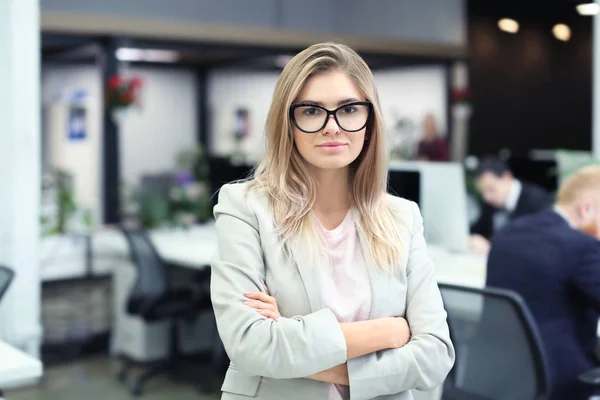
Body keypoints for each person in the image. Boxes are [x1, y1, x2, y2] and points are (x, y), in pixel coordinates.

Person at [210, 43, 455, 400]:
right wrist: (389, 332)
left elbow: (434, 355)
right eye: (311, 111)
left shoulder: (402, 219)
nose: (332, 127)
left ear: (370, 121)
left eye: (349, 109)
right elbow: (250, 345)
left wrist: (290, 338)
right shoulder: (246, 208)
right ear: (287, 122)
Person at [487, 165, 600, 399]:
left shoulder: (506, 233)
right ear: (586, 208)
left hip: (500, 375)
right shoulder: (582, 246)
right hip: (560, 378)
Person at [469, 156, 551, 253]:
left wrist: (492, 249)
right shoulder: (490, 203)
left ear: (507, 177)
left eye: (491, 189)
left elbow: (536, 244)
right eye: (483, 192)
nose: (487, 197)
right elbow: (479, 230)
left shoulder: (537, 202)